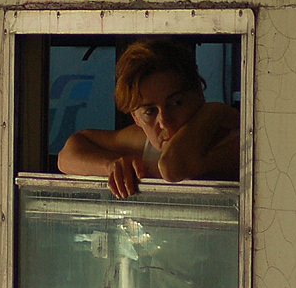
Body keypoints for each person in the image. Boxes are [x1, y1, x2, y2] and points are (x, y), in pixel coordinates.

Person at [57, 38, 240, 197]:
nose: (165, 122)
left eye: (177, 102)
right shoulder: (144, 142)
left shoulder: (234, 143)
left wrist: (215, 111)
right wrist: (111, 166)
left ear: (199, 93)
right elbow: (67, 156)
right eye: (150, 111)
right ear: (135, 118)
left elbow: (173, 167)